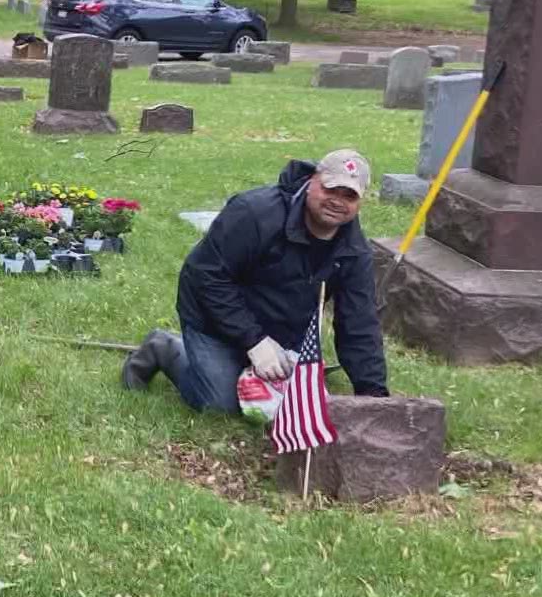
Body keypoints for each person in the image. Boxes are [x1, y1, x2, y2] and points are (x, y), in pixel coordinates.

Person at [121, 149, 390, 413]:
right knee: (221, 403)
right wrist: (254, 342)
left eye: (349, 195)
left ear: (360, 202)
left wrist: (375, 399)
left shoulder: (354, 252)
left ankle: (245, 360)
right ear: (311, 182)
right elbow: (205, 275)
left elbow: (359, 322)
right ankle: (165, 347)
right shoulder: (254, 213)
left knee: (292, 408)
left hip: (286, 331)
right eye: (330, 189)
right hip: (213, 318)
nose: (337, 201)